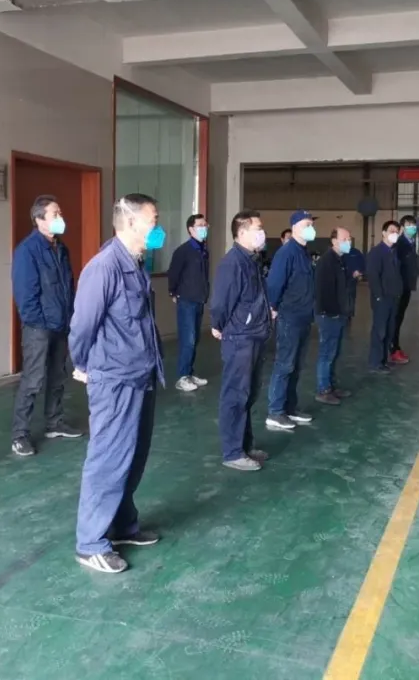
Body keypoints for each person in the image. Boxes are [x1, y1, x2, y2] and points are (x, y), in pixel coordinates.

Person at [69, 193, 167, 573]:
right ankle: (91, 542)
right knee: (109, 458)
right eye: (153, 221)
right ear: (130, 222)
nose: (157, 228)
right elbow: (82, 326)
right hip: (115, 379)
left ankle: (122, 525)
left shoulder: (136, 264)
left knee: (134, 455)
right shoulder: (104, 267)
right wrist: (83, 364)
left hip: (140, 374)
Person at [9, 195, 82, 457]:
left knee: (58, 376)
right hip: (38, 328)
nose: (61, 218)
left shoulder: (61, 249)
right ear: (39, 220)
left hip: (61, 324)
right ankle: (20, 434)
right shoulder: (27, 251)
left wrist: (70, 317)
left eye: (60, 213)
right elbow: (25, 296)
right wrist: (39, 323)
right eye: (55, 214)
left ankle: (55, 422)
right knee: (33, 380)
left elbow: (68, 287)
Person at [210, 210, 272, 471]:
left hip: (254, 335)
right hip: (240, 338)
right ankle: (233, 452)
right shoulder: (232, 263)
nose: (262, 233)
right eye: (258, 228)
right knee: (235, 395)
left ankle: (245, 445)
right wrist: (218, 325)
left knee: (248, 393)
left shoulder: (252, 260)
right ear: (242, 232)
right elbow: (220, 302)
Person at [264, 211, 317, 431]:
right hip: (290, 316)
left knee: (296, 365)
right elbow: (275, 283)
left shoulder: (303, 252)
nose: (311, 228)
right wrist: (273, 306)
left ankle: (290, 408)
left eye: (311, 224)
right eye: (306, 224)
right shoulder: (286, 253)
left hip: (304, 316)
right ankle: (275, 412)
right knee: (285, 364)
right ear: (295, 227)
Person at [167, 213, 210, 393]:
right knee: (188, 339)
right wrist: (173, 292)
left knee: (195, 339)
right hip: (186, 300)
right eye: (200, 225)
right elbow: (173, 273)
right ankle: (182, 377)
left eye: (205, 224)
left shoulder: (203, 250)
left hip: (199, 299)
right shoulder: (183, 251)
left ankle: (189, 373)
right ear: (191, 229)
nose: (205, 227)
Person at [314, 228, 354, 405]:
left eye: (349, 238)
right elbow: (323, 291)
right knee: (327, 353)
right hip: (329, 314)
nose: (348, 242)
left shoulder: (340, 260)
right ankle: (323, 389)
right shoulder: (327, 261)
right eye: (345, 239)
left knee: (334, 352)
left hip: (339, 313)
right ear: (334, 241)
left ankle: (331, 385)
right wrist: (332, 312)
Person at [366, 220, 404, 374]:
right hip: (382, 298)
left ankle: (384, 359)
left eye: (397, 232)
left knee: (389, 330)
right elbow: (373, 276)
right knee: (380, 330)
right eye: (391, 231)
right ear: (383, 233)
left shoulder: (393, 251)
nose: (394, 234)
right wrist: (379, 296)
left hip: (394, 297)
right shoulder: (376, 252)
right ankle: (375, 362)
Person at [389, 215, 419, 365]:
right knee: (395, 319)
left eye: (413, 225)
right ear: (402, 228)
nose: (412, 228)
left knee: (399, 318)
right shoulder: (400, 244)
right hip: (400, 288)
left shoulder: (410, 242)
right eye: (408, 225)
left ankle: (396, 346)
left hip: (406, 286)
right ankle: (393, 348)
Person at [342, 243, 365, 331]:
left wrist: (360, 272)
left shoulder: (355, 252)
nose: (348, 241)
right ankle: (343, 314)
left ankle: (349, 314)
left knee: (351, 296)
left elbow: (363, 263)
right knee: (343, 296)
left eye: (349, 239)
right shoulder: (339, 252)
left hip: (352, 279)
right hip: (342, 279)